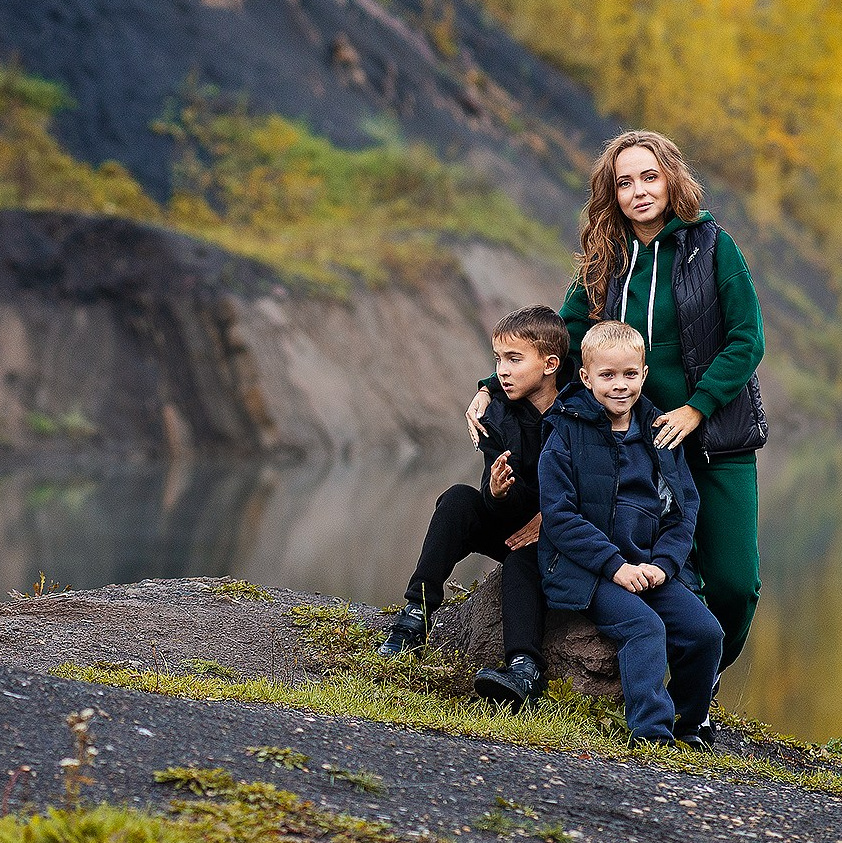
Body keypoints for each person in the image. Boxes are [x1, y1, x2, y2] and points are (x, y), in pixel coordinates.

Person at [466, 130, 766, 743]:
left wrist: (696, 409)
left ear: (671, 179)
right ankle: (667, 706)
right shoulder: (603, 256)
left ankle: (699, 680)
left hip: (710, 439)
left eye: (649, 177)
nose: (638, 192)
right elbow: (557, 338)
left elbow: (747, 339)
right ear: (612, 192)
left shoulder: (713, 248)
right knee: (646, 563)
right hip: (626, 440)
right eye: (624, 182)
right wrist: (493, 386)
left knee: (735, 583)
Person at [539, 321, 723, 747]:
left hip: (646, 566)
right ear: (586, 378)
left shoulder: (661, 434)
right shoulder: (565, 431)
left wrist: (664, 566)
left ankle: (688, 723)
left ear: (643, 373)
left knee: (705, 632)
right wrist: (614, 566)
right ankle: (652, 734)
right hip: (586, 570)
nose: (619, 386)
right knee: (644, 627)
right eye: (607, 375)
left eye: (629, 374)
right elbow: (559, 517)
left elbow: (682, 511)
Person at [378, 305, 570, 712]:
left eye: (514, 360)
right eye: (498, 359)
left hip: (565, 535)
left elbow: (597, 487)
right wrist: (499, 494)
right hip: (514, 523)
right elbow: (493, 500)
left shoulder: (579, 412)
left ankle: (524, 668)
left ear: (551, 364)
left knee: (523, 560)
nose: (502, 370)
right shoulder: (496, 413)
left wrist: (549, 520)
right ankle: (417, 614)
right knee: (457, 500)